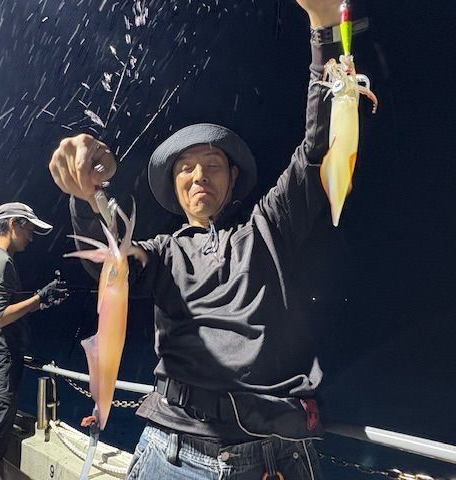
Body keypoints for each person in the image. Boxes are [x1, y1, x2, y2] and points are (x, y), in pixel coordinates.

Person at [49, 1, 346, 477]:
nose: (198, 175)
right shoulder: (163, 253)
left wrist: (325, 30)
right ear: (175, 187)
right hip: (172, 450)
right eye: (185, 168)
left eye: (212, 165)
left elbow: (320, 152)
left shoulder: (268, 228)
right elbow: (113, 261)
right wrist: (90, 194)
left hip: (276, 456)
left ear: (233, 178)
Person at [0, 202, 68, 480]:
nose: (31, 237)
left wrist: (40, 302)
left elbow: (0, 308)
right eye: (29, 229)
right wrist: (39, 297)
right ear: (13, 225)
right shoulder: (1, 263)